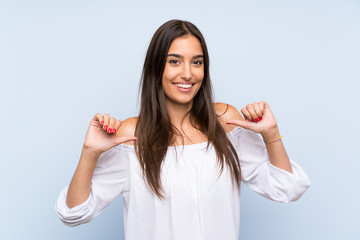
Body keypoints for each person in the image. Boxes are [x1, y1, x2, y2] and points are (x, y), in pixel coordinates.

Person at [55, 19, 311, 239]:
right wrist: (90, 152)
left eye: (197, 62)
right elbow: (74, 213)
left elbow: (286, 188)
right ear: (156, 68)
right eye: (174, 61)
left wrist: (271, 135)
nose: (187, 73)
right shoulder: (131, 136)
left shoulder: (225, 122)